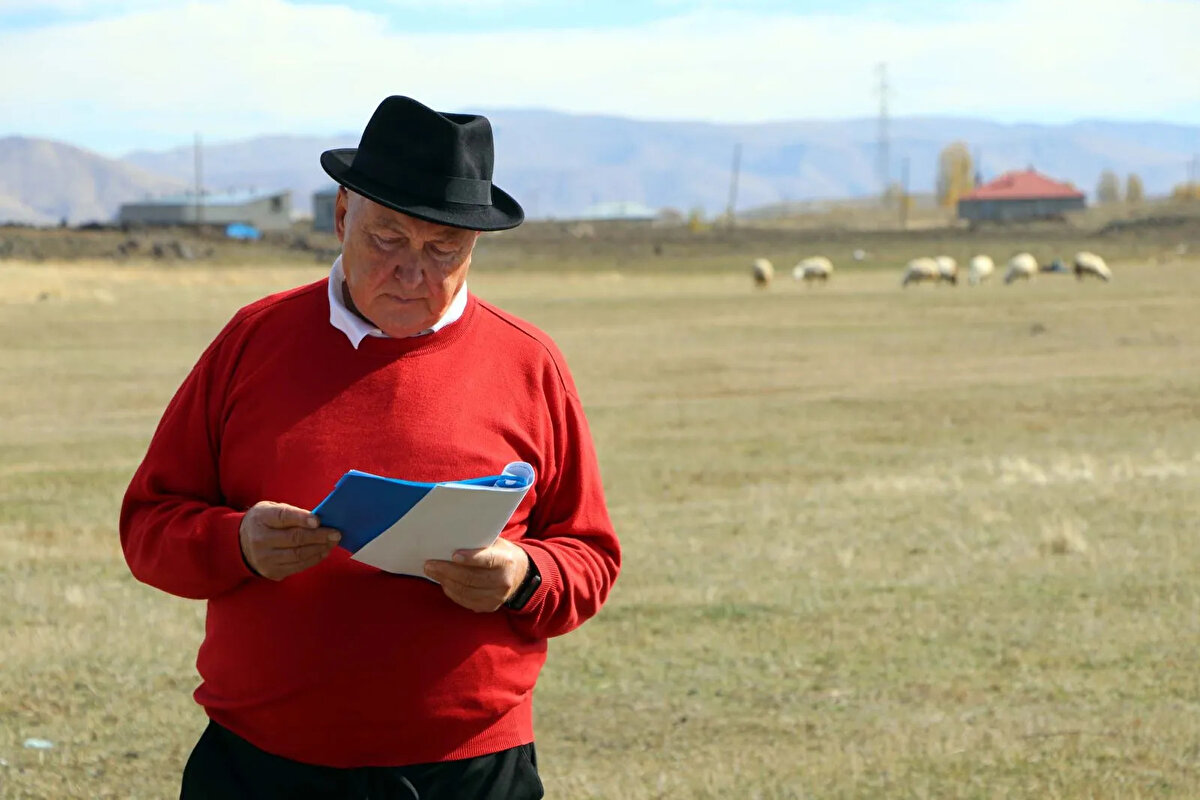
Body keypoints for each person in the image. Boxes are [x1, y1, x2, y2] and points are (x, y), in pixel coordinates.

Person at [119, 95, 621, 799]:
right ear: (341, 215)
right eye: (387, 238)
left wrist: (524, 574)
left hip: (469, 771)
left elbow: (590, 556)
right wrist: (237, 543)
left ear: (474, 246)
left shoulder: (529, 362)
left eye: (442, 248)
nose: (412, 272)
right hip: (263, 764)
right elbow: (148, 525)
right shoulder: (252, 341)